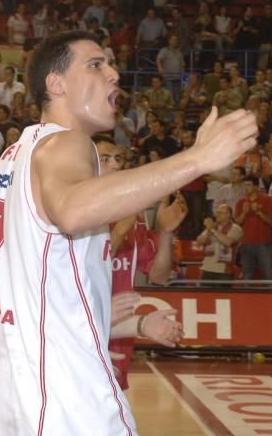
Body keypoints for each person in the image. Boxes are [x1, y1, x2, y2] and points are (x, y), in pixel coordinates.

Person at [0, 30, 258, 435]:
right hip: (61, 393)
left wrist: (121, 323)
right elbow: (74, 210)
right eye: (96, 65)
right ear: (55, 84)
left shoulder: (15, 155)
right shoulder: (68, 143)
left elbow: (44, 289)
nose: (113, 73)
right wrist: (197, 159)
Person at [100, 136, 186, 391]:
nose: (115, 164)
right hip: (78, 334)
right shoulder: (72, 216)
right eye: (105, 159)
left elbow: (159, 276)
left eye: (118, 158)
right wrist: (117, 233)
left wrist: (165, 233)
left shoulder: (134, 219)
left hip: (120, 336)